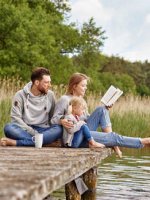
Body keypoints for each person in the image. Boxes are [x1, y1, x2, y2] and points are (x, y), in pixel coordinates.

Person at [51, 72, 150, 156]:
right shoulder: (65, 99)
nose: (85, 88)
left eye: (86, 86)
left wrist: (105, 110)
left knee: (102, 109)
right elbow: (54, 119)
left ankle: (114, 142)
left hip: (85, 130)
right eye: (83, 85)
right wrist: (62, 120)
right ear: (74, 86)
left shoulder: (81, 100)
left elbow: (86, 118)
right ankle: (141, 141)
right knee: (114, 137)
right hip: (76, 135)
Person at [0, 67, 62, 147]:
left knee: (59, 129)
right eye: (46, 82)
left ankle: (16, 143)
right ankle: (44, 143)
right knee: (8, 128)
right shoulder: (20, 95)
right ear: (36, 82)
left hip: (44, 130)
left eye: (49, 82)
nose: (49, 85)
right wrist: (34, 133)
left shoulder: (50, 95)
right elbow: (15, 118)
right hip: (25, 129)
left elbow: (53, 117)